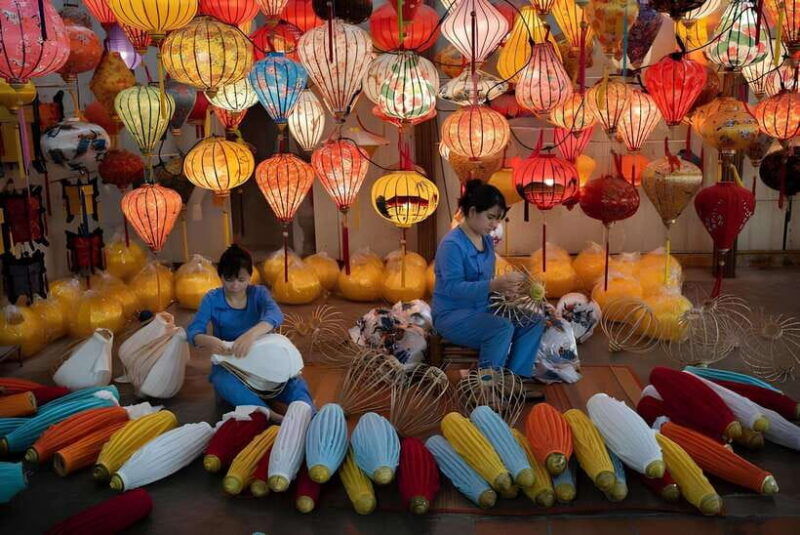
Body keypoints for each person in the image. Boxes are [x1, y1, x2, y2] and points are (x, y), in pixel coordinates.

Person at [432, 180, 545, 377]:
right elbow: (453, 288)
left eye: (498, 219)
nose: (495, 225)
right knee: (500, 328)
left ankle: (514, 380)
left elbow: (489, 281)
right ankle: (486, 385)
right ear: (473, 211)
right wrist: (493, 285)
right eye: (491, 217)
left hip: (483, 308)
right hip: (452, 315)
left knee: (532, 320)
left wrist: (511, 289)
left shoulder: (486, 240)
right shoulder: (452, 245)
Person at [186, 244, 314, 409]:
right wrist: (209, 341)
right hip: (230, 362)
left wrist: (250, 336)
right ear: (221, 276)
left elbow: (275, 314)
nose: (235, 286)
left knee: (295, 382)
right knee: (221, 381)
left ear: (250, 276)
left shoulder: (258, 294)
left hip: (262, 357)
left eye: (241, 280)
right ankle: (267, 414)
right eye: (229, 279)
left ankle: (307, 412)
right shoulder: (212, 299)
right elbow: (194, 331)